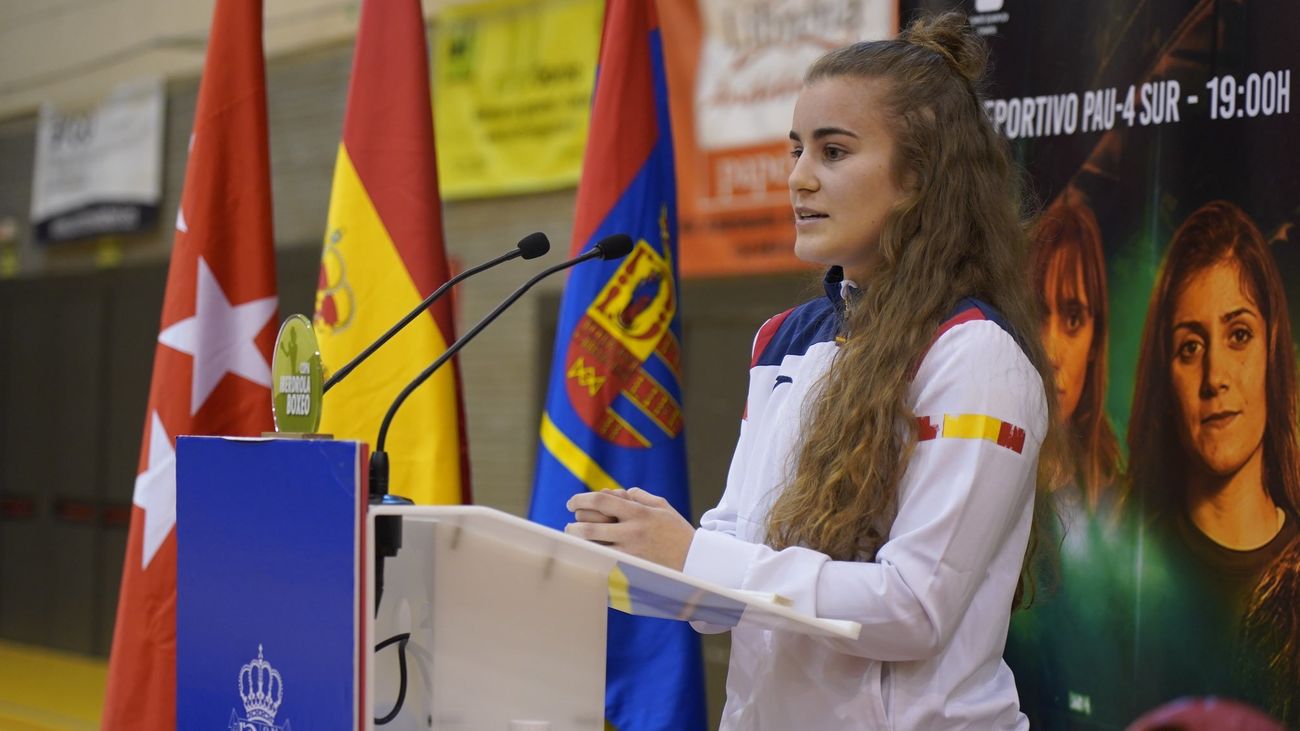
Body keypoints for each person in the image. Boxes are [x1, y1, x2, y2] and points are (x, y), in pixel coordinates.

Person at [565, 12, 1055, 730]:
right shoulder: (782, 340)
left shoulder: (975, 355)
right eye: (797, 149)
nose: (797, 178)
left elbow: (913, 609)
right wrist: (621, 557)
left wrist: (698, 554)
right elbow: (730, 571)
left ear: (918, 177)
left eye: (833, 152)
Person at [1126, 200, 1300, 717]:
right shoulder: (1127, 573)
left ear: (1272, 349)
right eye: (1190, 347)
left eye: (1239, 334)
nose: (1215, 376)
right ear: (1166, 374)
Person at [1003, 191, 1136, 730]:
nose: (1053, 347)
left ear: (1097, 338)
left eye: (1074, 317)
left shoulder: (1125, 495)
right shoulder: (979, 459)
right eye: (1038, 313)